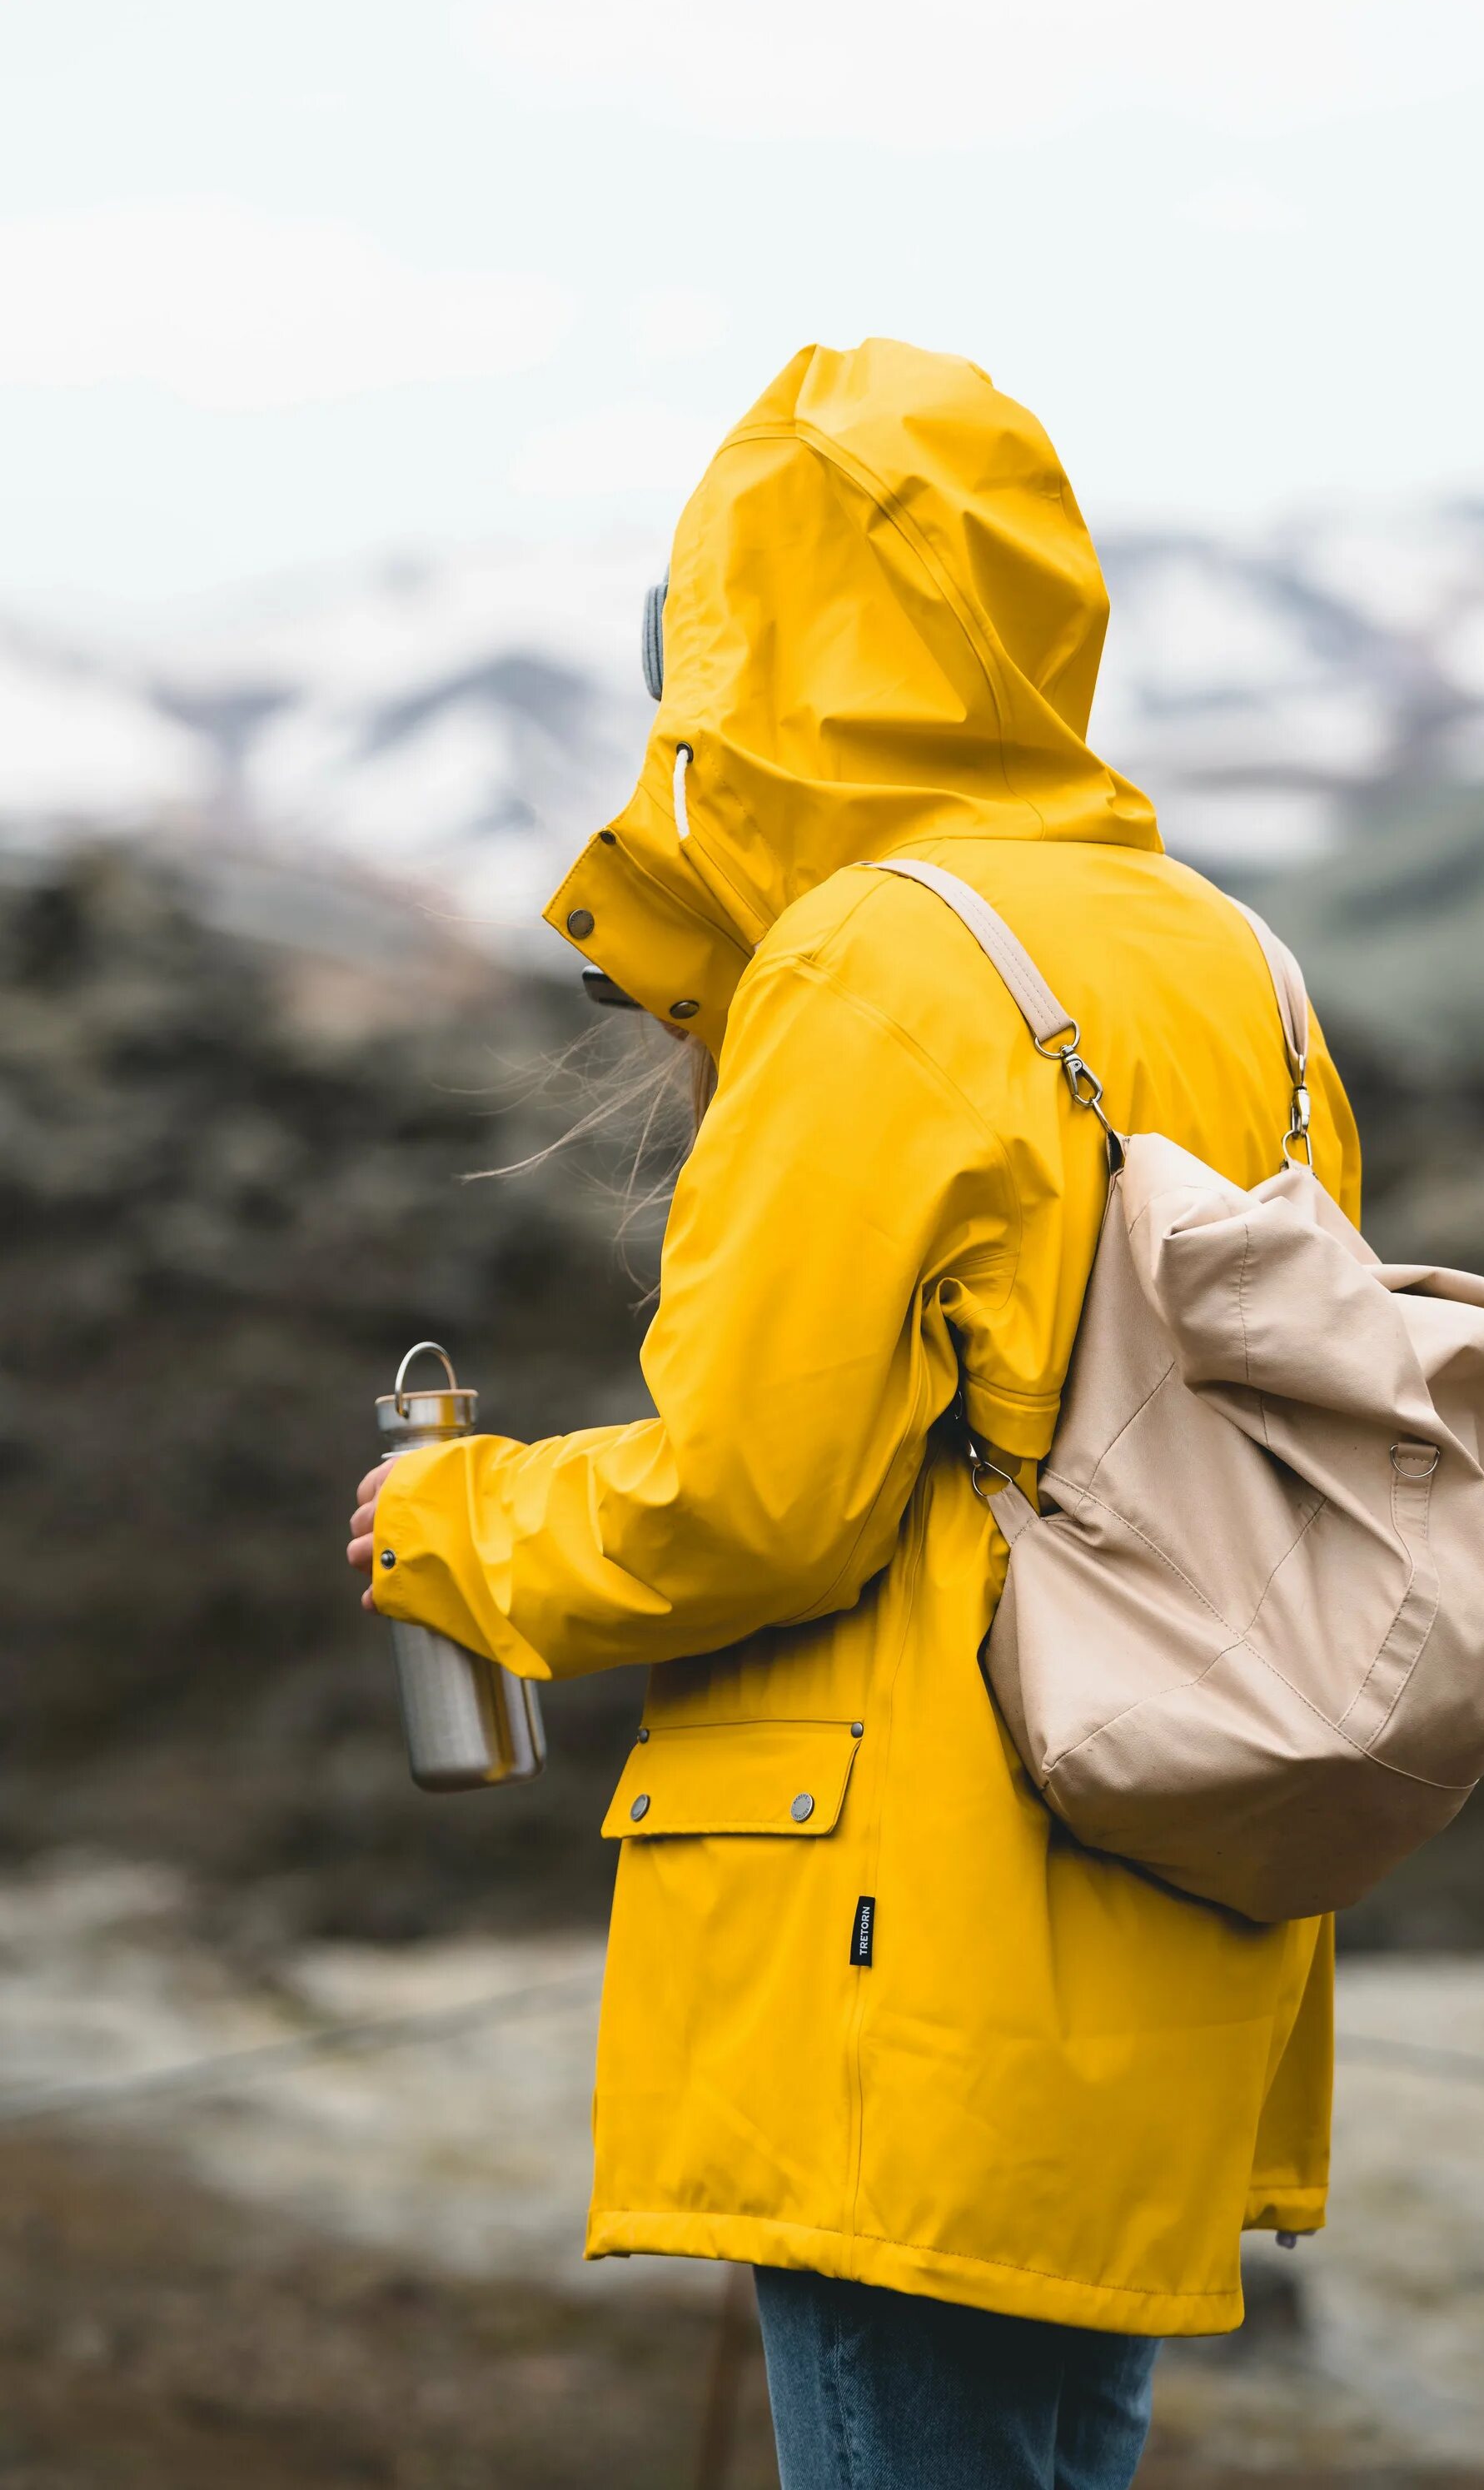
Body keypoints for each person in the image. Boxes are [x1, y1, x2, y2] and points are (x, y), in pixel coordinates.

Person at [346, 337, 1361, 2490]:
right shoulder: (1229, 966)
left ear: (753, 643)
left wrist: (457, 1528)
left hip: (917, 1943)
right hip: (1180, 1901)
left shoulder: (874, 967)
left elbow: (749, 1500)